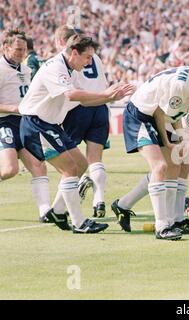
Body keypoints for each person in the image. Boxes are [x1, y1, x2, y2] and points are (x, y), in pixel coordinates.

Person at [18, 33, 135, 233]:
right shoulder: (55, 67)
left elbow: (83, 100)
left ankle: (57, 210)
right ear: (74, 52)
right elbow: (71, 94)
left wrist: (110, 97)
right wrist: (105, 93)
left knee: (80, 164)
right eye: (87, 57)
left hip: (49, 124)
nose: (90, 62)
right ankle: (79, 223)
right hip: (36, 123)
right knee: (70, 169)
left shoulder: (70, 69)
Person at [112, 54, 189, 240]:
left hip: (156, 116)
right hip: (141, 114)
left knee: (175, 166)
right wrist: (169, 141)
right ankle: (163, 226)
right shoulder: (187, 86)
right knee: (161, 167)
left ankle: (159, 216)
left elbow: (175, 118)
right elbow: (161, 111)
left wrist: (178, 139)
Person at [51, 25, 111, 218]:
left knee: (69, 161)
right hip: (100, 108)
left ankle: (58, 208)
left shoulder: (67, 61)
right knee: (95, 159)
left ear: (63, 42)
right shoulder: (96, 57)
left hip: (78, 109)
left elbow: (70, 91)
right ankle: (99, 199)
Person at [0, 29, 51, 223]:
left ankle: (45, 211)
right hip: (4, 122)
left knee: (39, 166)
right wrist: (13, 107)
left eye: (24, 50)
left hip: (25, 122)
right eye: (18, 49)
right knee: (9, 170)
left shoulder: (26, 69)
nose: (22, 53)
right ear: (5, 47)